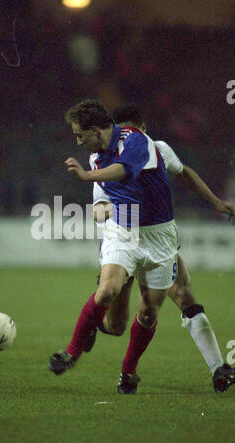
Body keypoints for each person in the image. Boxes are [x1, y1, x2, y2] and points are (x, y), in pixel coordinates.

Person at [85, 103, 235, 393]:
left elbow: (185, 173)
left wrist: (216, 203)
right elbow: (99, 203)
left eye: (135, 132)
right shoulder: (104, 162)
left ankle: (219, 368)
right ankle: (95, 322)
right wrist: (103, 211)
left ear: (143, 131)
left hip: (159, 240)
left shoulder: (158, 149)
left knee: (183, 296)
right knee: (115, 327)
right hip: (127, 244)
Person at [49, 99, 181, 394]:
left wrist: (85, 176)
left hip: (160, 234)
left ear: (96, 130)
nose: (78, 140)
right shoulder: (97, 157)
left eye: (80, 135)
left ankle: (129, 372)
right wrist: (101, 210)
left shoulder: (136, 140)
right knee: (107, 289)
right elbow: (103, 201)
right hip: (124, 227)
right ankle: (71, 352)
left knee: (147, 315)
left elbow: (126, 170)